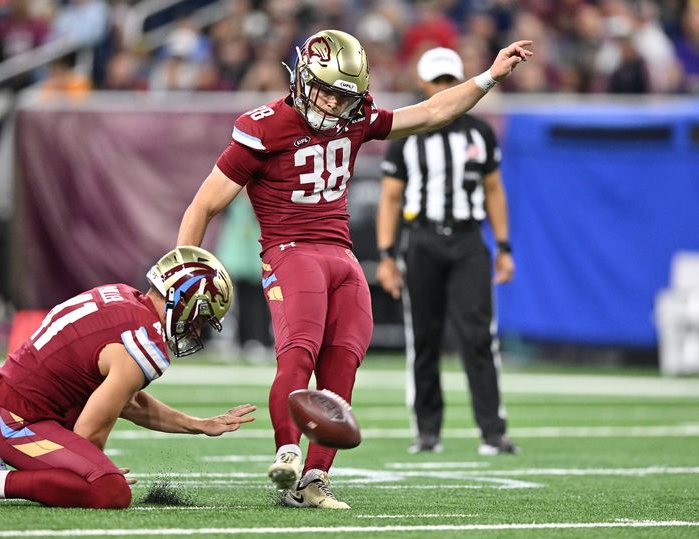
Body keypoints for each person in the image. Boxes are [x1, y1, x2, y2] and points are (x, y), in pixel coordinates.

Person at [176, 29, 532, 509]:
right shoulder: (263, 127)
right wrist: (183, 276)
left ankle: (314, 480)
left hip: (340, 255)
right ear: (302, 77)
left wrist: (489, 76)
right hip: (290, 249)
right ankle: (287, 452)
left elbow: (432, 111)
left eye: (343, 94)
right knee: (299, 353)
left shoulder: (357, 117)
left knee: (343, 365)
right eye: (324, 88)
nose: (331, 102)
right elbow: (202, 206)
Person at [0, 246, 256, 509]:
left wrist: (196, 424)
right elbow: (90, 431)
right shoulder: (145, 342)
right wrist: (96, 470)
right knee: (109, 491)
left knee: (100, 477)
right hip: (15, 420)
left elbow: (126, 399)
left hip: (12, 407)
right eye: (200, 318)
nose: (196, 329)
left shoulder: (123, 296)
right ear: (183, 303)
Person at [376, 47, 518, 457]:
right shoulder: (407, 135)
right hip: (421, 240)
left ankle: (493, 431)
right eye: (436, 81)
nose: (442, 87)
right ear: (423, 83)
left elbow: (494, 190)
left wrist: (504, 246)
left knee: (478, 336)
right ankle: (427, 430)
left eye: (448, 80)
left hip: (468, 240)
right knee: (424, 338)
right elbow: (389, 198)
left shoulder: (479, 133)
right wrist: (387, 254)